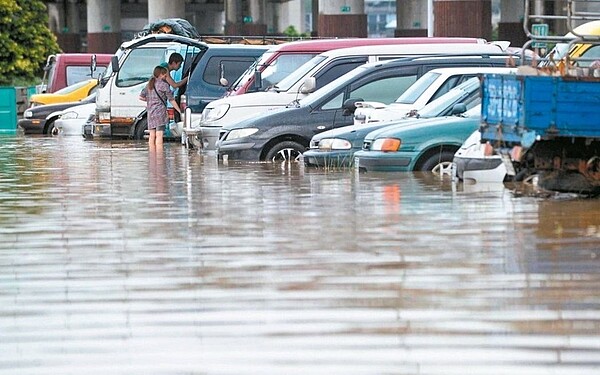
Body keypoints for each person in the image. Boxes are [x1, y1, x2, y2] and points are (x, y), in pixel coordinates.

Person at [139, 65, 182, 148]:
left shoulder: (149, 85)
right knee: (159, 135)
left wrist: (150, 100)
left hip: (150, 112)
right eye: (165, 75)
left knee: (152, 135)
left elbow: (141, 97)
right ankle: (159, 156)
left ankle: (152, 155)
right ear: (161, 74)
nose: (166, 76)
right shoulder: (164, 85)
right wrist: (179, 110)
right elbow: (171, 100)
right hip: (160, 113)